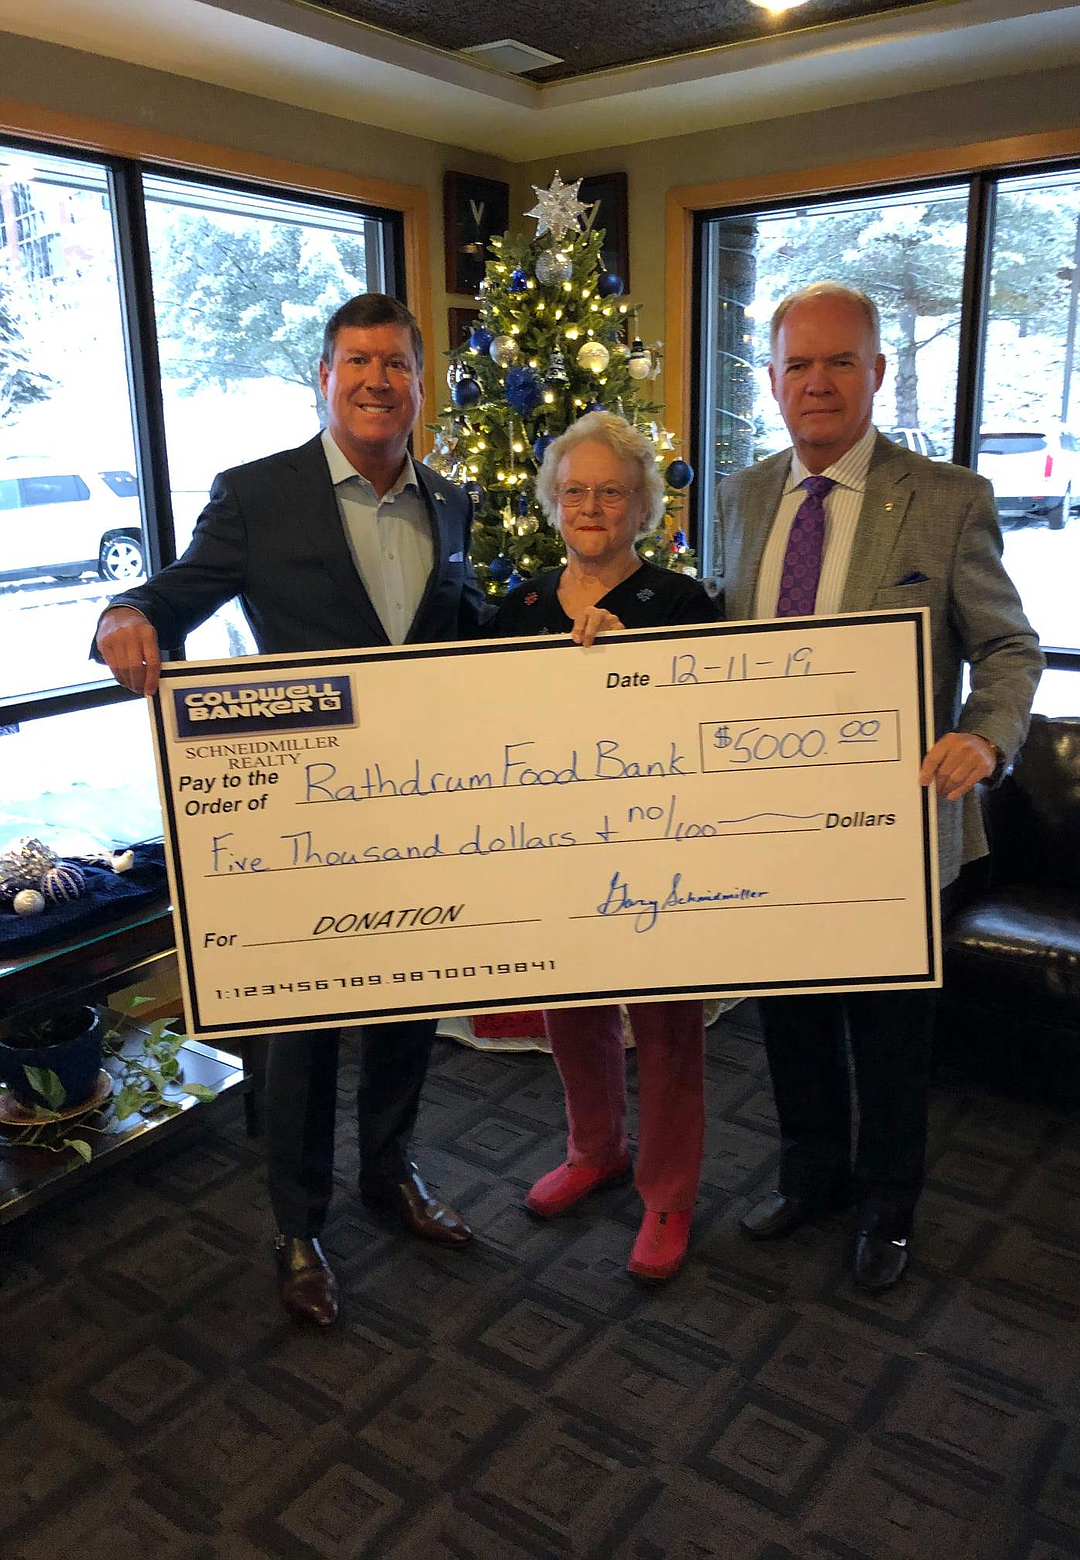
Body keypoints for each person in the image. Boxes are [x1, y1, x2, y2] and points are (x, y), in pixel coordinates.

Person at [94, 293, 487, 1327]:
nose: (376, 381)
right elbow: (172, 595)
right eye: (357, 362)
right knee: (308, 1030)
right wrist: (123, 612)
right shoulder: (257, 494)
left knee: (411, 1000)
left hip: (418, 810)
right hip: (303, 817)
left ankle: (389, 1174)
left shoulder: (452, 504)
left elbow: (465, 634)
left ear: (418, 384)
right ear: (324, 377)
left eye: (396, 364)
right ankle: (299, 1225)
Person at [715, 281, 1043, 1290]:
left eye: (839, 362)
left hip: (895, 830)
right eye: (797, 365)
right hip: (772, 825)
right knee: (792, 1020)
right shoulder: (744, 495)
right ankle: (811, 1174)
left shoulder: (947, 500)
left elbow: (1009, 647)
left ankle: (890, 1207)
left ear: (878, 373)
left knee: (891, 1039)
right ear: (771, 381)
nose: (817, 384)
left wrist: (984, 738)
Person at [489, 411, 721, 1282]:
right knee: (569, 1008)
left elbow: (711, 721)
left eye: (612, 491)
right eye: (575, 490)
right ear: (553, 503)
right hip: (549, 844)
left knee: (666, 1021)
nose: (592, 506)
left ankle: (667, 1193)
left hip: (655, 846)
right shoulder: (515, 605)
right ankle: (596, 1151)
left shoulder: (682, 602)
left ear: (643, 506)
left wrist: (643, 664)